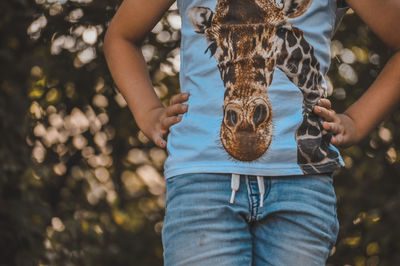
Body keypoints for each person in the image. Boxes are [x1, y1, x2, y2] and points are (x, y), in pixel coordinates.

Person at [103, 0, 400, 265]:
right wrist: (147, 112)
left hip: (301, 187)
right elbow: (121, 37)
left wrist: (358, 121)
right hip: (202, 182)